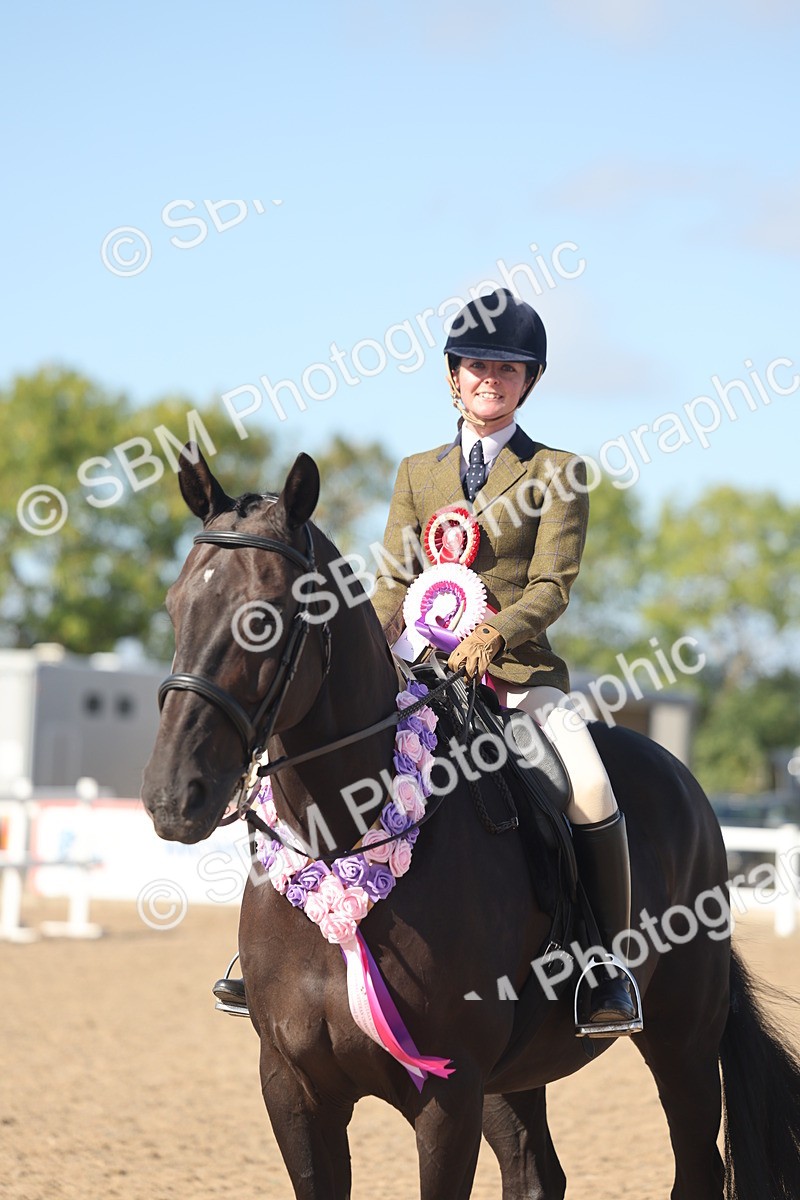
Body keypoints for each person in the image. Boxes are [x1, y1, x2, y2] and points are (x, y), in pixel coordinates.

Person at [370, 287, 640, 1036]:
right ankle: (276, 945)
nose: (491, 379)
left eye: (508, 369)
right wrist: (374, 635)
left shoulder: (557, 472)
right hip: (419, 673)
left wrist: (494, 635)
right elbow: (394, 577)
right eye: (478, 365)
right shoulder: (416, 472)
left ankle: (605, 966)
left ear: (530, 381)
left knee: (590, 787)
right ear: (453, 376)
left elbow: (552, 585)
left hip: (516, 678)